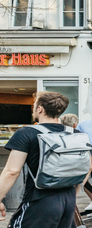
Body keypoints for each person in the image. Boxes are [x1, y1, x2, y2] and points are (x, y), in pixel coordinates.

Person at [0, 92, 82, 227]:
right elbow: (86, 167)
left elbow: (12, 171)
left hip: (39, 200)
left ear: (40, 109)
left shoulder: (26, 133)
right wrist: (73, 193)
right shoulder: (75, 134)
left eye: (34, 105)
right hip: (69, 199)